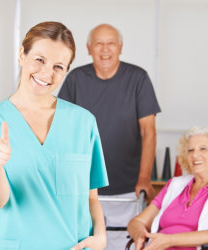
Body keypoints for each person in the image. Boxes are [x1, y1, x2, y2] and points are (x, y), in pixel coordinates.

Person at [0, 21, 109, 250]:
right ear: (21, 55)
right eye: (40, 59)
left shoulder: (83, 123)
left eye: (58, 66)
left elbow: (91, 197)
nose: (46, 73)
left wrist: (101, 237)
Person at [58, 23, 161, 249]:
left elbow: (148, 132)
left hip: (127, 188)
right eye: (98, 44)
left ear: (120, 47)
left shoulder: (138, 79)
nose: (105, 50)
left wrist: (144, 177)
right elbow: (62, 132)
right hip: (86, 186)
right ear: (88, 48)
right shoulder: (76, 79)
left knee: (123, 244)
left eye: (111, 43)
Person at [127, 127, 208, 250]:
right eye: (190, 150)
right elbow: (138, 222)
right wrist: (140, 235)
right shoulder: (175, 185)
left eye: (203, 149)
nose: (195, 155)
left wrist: (170, 240)